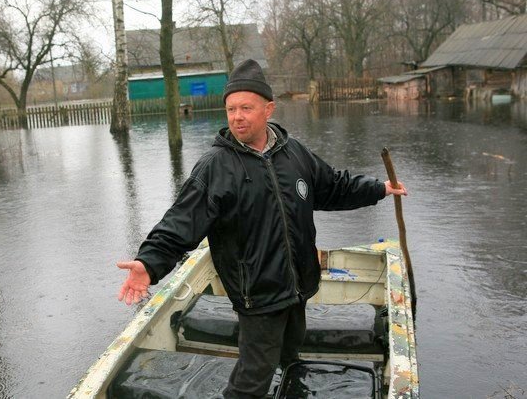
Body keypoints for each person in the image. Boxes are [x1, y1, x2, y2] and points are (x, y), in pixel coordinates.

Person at [117, 59, 408, 398]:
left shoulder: (294, 153)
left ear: (268, 108)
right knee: (251, 380)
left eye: (246, 108)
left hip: (298, 286)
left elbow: (333, 187)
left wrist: (379, 188)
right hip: (258, 294)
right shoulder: (215, 167)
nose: (237, 116)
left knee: (290, 353)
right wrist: (148, 263)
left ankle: (288, 387)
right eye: (230, 109)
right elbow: (180, 223)